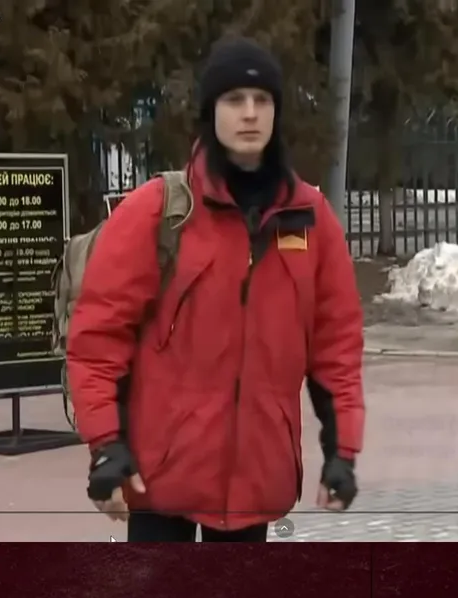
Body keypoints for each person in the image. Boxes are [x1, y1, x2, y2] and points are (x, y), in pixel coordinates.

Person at [65, 36, 365, 543]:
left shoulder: (310, 219)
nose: (250, 113)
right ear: (210, 111)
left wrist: (342, 452)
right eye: (234, 99)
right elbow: (98, 340)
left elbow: (336, 347)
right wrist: (106, 446)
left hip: (257, 480)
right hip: (160, 479)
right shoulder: (158, 211)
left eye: (262, 100)